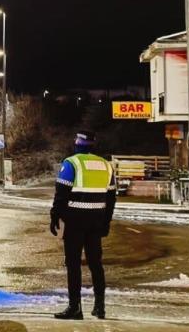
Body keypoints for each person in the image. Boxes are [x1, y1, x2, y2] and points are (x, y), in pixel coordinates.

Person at [50, 130, 116, 320]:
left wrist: (55, 216)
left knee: (73, 264)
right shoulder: (106, 165)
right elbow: (111, 198)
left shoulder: (72, 163)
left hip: (75, 220)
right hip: (96, 220)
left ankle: (75, 308)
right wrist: (106, 222)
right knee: (96, 264)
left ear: (78, 143)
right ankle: (100, 307)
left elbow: (61, 193)